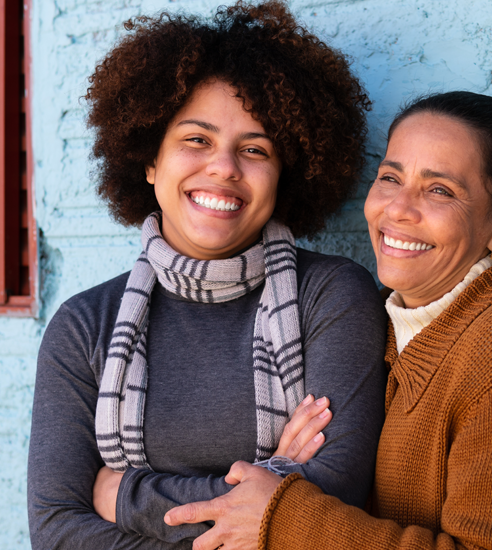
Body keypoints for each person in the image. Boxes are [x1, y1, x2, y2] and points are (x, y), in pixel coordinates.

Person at [164, 91, 492, 550]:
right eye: (389, 178)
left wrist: (285, 518)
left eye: (440, 190)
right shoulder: (377, 330)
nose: (398, 208)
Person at [26, 2, 388, 548]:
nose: (224, 167)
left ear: (283, 175)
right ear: (151, 161)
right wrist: (271, 492)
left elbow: (333, 499)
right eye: (196, 139)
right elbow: (56, 528)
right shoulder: (84, 326)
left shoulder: (333, 297)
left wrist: (125, 497)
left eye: (254, 148)